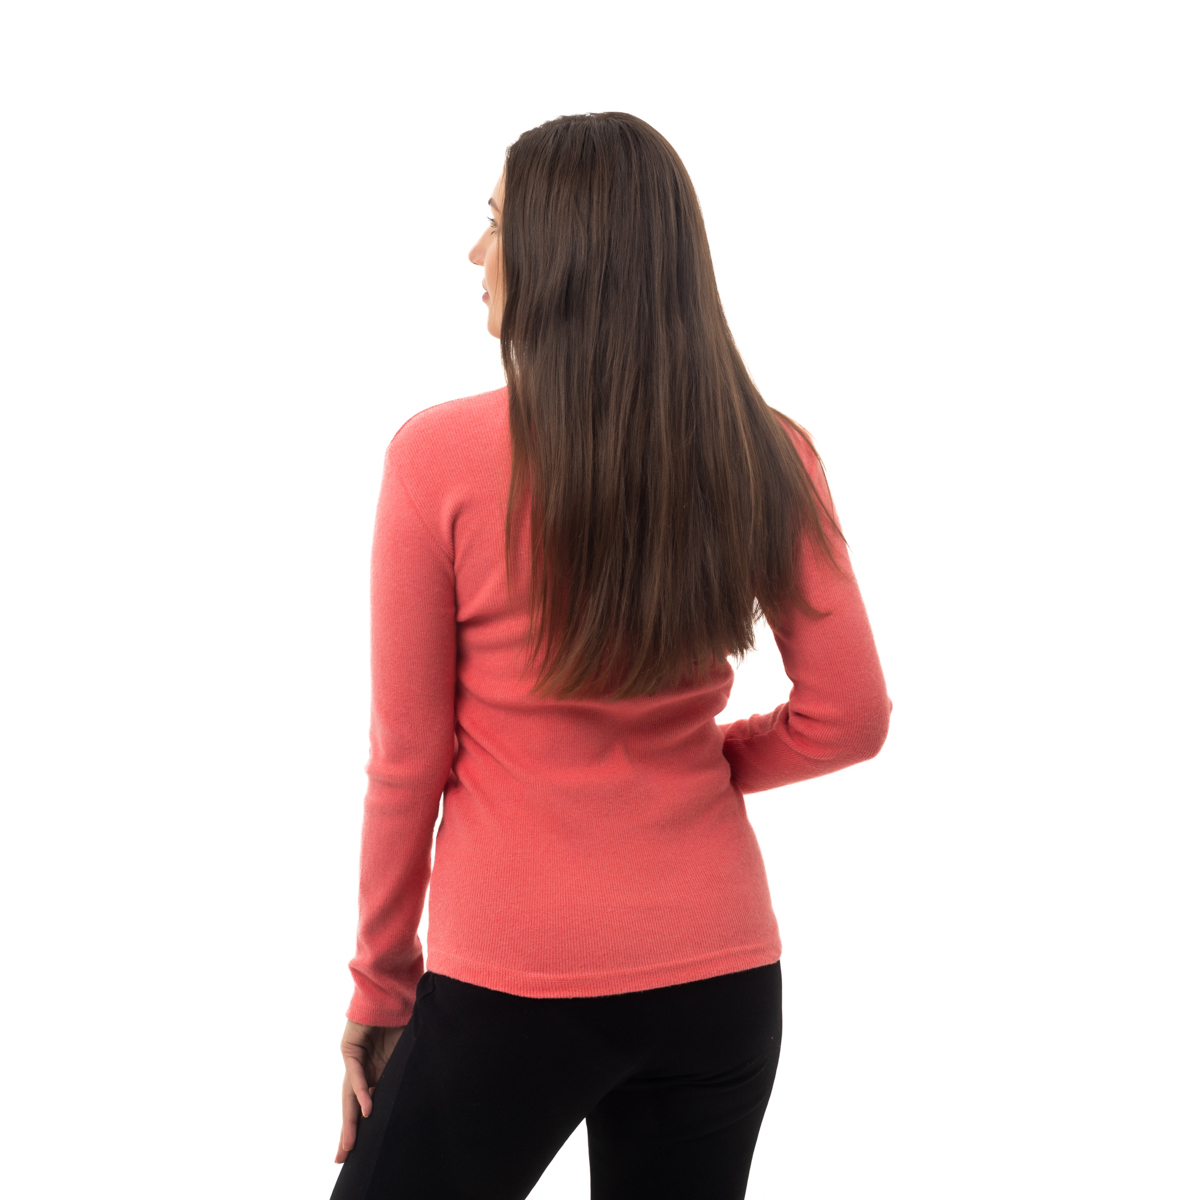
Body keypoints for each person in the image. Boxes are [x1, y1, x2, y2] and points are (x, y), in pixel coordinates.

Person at [328, 112, 891, 1200]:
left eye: (497, 222)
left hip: (514, 984)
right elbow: (851, 717)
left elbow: (408, 760)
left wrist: (379, 988)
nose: (476, 252)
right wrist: (706, 764)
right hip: (721, 977)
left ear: (563, 253)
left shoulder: (437, 458)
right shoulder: (769, 449)